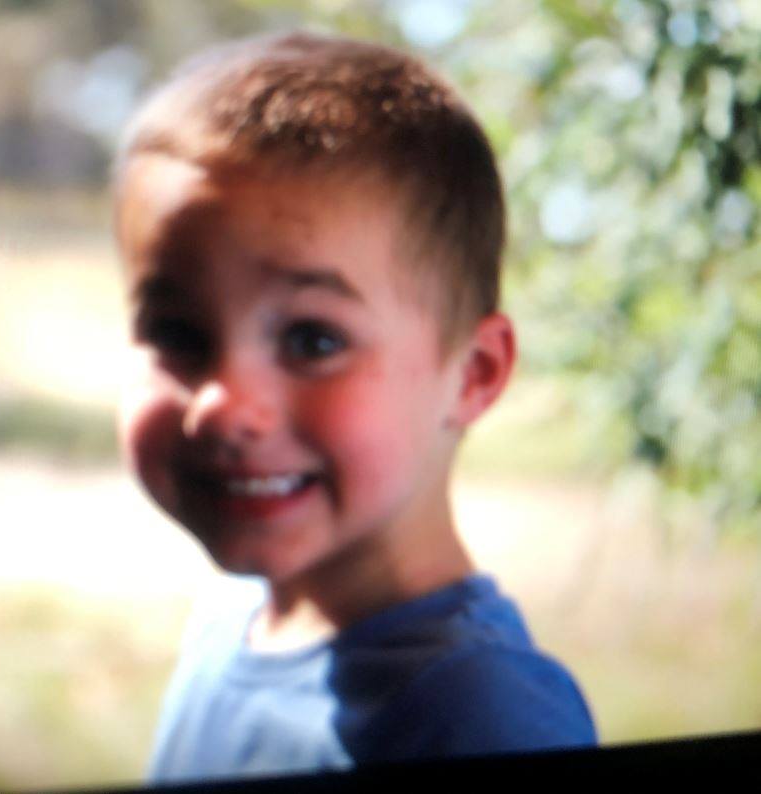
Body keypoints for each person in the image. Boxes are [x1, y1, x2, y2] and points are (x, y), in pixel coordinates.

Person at [113, 32, 597, 784]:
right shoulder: (231, 617)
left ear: (472, 375)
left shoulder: (482, 717)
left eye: (313, 340)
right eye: (178, 334)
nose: (220, 408)